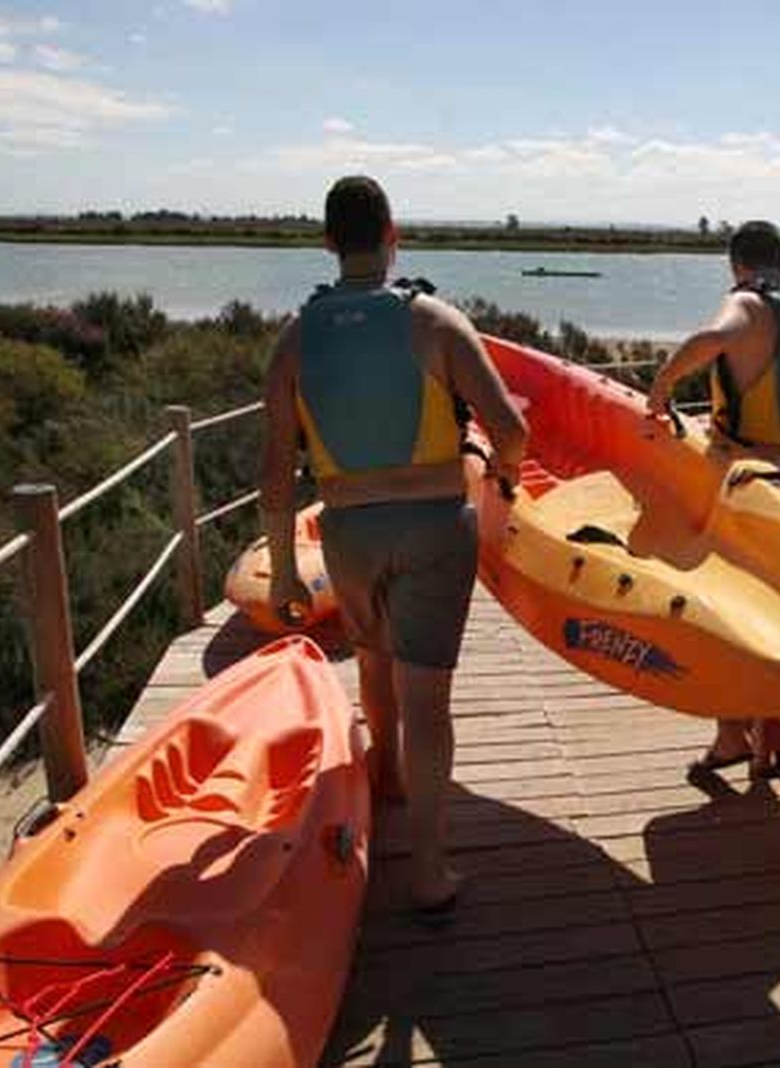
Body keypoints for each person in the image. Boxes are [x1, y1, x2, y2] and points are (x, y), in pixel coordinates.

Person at [260, 175, 528, 920]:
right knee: (427, 702)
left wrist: (283, 572)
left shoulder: (295, 338)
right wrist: (501, 475)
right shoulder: (434, 321)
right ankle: (429, 870)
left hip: (347, 531)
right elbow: (511, 431)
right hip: (435, 527)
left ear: (326, 242)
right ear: (393, 235)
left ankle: (386, 777)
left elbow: (274, 471)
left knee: (373, 663)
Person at [646, 219, 780, 780]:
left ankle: (733, 736)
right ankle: (766, 741)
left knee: (728, 610)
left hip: (750, 480)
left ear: (736, 266)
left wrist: (661, 387)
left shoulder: (747, 305)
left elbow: (711, 340)